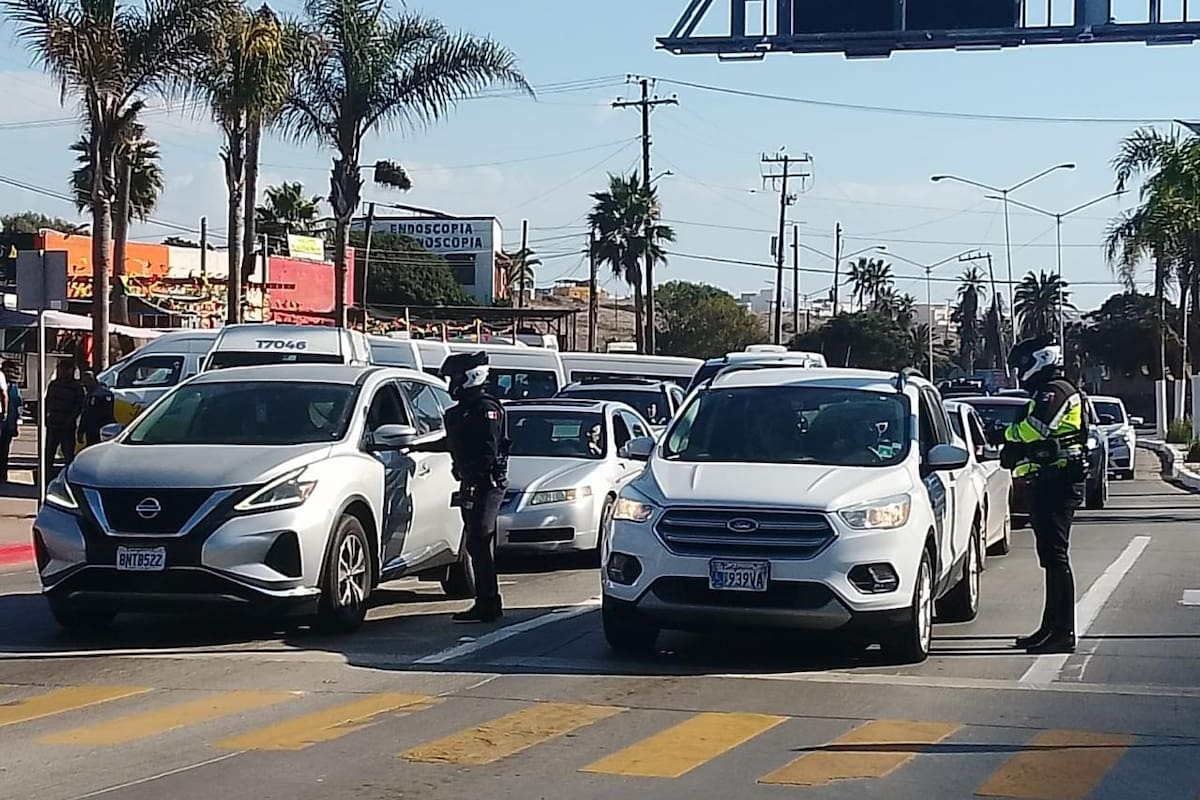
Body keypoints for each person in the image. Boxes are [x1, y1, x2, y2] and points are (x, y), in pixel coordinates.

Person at [987, 335, 1086, 655]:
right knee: (1050, 558)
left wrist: (1006, 434)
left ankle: (1064, 632)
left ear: (1041, 360)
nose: (1020, 371)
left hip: (1058, 483)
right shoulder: (1047, 391)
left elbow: (1037, 428)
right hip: (1047, 481)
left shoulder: (1055, 391)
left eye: (1024, 365)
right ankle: (1050, 628)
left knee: (1056, 558)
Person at [439, 351, 509, 624]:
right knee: (476, 543)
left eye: (455, 377)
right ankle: (486, 600)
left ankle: (488, 602)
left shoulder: (485, 408)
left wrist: (473, 479)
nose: (451, 384)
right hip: (472, 482)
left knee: (479, 541)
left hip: (486, 483)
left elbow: (488, 451)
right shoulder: (462, 410)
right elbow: (453, 443)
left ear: (470, 376)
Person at [44, 361, 85, 474]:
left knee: (67, 452)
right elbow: (47, 401)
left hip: (67, 424)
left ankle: (68, 474)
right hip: (53, 422)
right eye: (60, 368)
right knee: (49, 451)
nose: (62, 371)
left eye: (65, 369)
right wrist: (45, 417)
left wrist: (71, 419)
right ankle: (46, 474)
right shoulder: (54, 384)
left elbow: (79, 406)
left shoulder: (77, 387)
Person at [79, 370, 115, 447]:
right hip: (91, 430)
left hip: (102, 429)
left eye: (86, 382)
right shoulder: (89, 395)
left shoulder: (103, 393)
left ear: (92, 381)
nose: (85, 386)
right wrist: (81, 431)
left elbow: (107, 413)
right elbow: (85, 414)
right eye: (83, 383)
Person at [0, 361, 21, 482]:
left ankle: (3, 475)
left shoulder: (14, 388)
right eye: (6, 371)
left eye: (11, 371)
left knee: (4, 451)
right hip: (2, 421)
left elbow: (18, 407)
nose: (9, 374)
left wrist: (16, 425)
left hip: (9, 424)